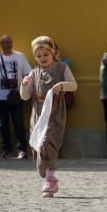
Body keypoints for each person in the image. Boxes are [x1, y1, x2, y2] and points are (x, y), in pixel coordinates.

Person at [20, 36, 77, 198]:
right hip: (37, 114)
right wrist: (24, 85)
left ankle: (50, 180)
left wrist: (62, 85)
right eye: (38, 56)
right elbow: (25, 97)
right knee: (37, 147)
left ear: (53, 53)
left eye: (46, 54)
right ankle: (47, 176)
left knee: (47, 143)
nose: (42, 58)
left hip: (55, 112)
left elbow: (74, 85)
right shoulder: (33, 73)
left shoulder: (62, 68)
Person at [0, 35, 32, 159]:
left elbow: (28, 73)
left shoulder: (20, 57)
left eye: (10, 42)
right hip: (0, 96)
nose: (8, 44)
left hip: (16, 95)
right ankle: (6, 150)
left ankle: (22, 149)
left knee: (19, 122)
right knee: (3, 124)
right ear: (1, 44)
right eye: (6, 42)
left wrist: (26, 87)